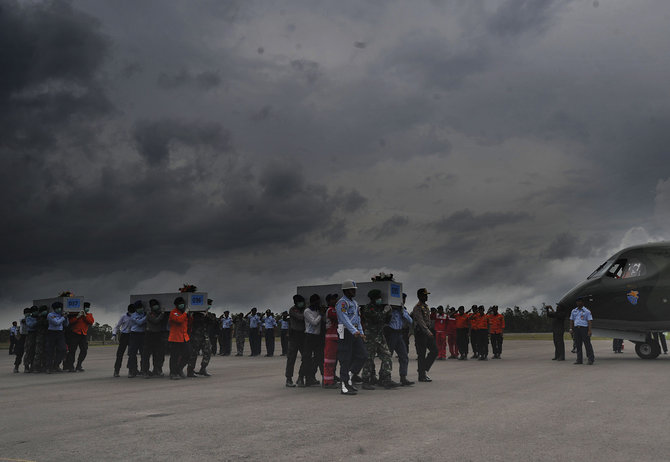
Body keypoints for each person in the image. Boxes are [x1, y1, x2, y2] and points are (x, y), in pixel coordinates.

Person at [360, 289, 398, 389]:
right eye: (378, 297)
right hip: (371, 336)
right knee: (369, 359)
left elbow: (386, 321)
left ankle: (385, 378)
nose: (380, 299)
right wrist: (385, 311)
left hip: (380, 336)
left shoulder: (379, 307)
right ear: (373, 298)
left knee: (387, 356)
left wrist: (389, 313)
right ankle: (366, 380)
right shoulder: (368, 308)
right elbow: (377, 318)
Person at [337, 280, 368, 396]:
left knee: (363, 355)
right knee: (345, 358)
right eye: (351, 289)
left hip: (354, 332)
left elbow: (358, 319)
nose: (354, 291)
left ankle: (348, 376)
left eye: (354, 289)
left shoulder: (355, 303)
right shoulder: (342, 303)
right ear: (345, 291)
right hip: (345, 331)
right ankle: (344, 386)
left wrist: (361, 332)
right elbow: (344, 318)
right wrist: (354, 331)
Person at [412, 288, 438, 382]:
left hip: (427, 331)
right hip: (421, 333)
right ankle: (421, 375)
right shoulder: (417, 307)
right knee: (421, 354)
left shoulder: (426, 306)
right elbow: (421, 321)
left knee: (435, 351)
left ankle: (423, 369)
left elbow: (427, 320)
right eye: (424, 295)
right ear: (419, 296)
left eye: (427, 295)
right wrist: (428, 331)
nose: (426, 296)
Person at [388, 294, 414, 386]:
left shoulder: (403, 310)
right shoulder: (390, 309)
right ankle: (386, 377)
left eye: (404, 299)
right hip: (391, 333)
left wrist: (402, 311)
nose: (403, 301)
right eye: (402, 299)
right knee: (388, 356)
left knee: (404, 356)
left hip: (399, 334)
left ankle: (403, 377)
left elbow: (410, 321)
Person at [64, 302, 94, 372]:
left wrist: (84, 316)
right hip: (75, 334)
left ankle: (79, 365)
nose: (87, 309)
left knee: (84, 350)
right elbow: (71, 322)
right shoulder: (76, 314)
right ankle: (71, 366)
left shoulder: (89, 315)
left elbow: (91, 321)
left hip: (83, 334)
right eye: (86, 307)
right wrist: (78, 316)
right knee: (72, 351)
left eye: (88, 307)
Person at [285, 295, 307, 387]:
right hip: (294, 336)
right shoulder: (293, 310)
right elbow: (300, 317)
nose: (301, 303)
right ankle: (289, 378)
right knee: (291, 358)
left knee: (306, 357)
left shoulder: (304, 309)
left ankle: (301, 377)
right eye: (299, 302)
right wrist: (308, 313)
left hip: (303, 335)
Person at [303, 294, 323, 386]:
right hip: (309, 336)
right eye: (317, 302)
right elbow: (314, 322)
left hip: (317, 336)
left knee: (317, 358)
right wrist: (321, 315)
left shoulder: (318, 311)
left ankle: (312, 376)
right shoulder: (307, 311)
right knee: (307, 358)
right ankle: (305, 378)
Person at [142, 299, 166, 377]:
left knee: (158, 354)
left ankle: (157, 370)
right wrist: (162, 313)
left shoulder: (158, 313)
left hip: (158, 335)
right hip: (149, 335)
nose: (156, 307)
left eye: (156, 305)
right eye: (154, 305)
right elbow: (155, 321)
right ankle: (145, 371)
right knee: (146, 355)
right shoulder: (149, 313)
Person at [187, 305, 213, 377]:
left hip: (204, 336)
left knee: (207, 352)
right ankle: (190, 370)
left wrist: (207, 315)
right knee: (194, 353)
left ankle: (203, 368)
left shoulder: (207, 316)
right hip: (196, 336)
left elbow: (212, 321)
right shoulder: (195, 315)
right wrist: (204, 315)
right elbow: (197, 321)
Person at [168, 297, 191, 379]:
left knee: (188, 354)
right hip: (175, 338)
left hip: (184, 337)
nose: (182, 305)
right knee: (174, 356)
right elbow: (179, 320)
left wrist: (189, 315)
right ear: (176, 305)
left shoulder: (184, 313)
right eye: (180, 304)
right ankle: (173, 373)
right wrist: (185, 313)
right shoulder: (173, 313)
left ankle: (179, 369)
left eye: (183, 303)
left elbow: (188, 323)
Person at [569, 297, 595, 365]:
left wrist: (589, 330)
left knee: (587, 344)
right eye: (577, 301)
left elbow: (589, 321)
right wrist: (571, 329)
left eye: (580, 301)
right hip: (576, 329)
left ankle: (590, 359)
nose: (578, 303)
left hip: (584, 329)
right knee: (578, 344)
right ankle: (579, 360)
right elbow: (571, 320)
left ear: (582, 303)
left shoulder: (587, 311)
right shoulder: (574, 311)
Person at [45, 302, 69, 373]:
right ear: (54, 308)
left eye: (60, 308)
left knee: (63, 349)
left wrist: (66, 318)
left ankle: (56, 364)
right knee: (50, 351)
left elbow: (66, 324)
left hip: (60, 333)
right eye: (58, 308)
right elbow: (56, 323)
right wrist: (63, 317)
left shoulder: (61, 315)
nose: (59, 309)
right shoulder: (50, 315)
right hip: (52, 333)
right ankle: (49, 367)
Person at [112, 304, 135, 377]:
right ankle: (116, 371)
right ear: (128, 311)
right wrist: (114, 334)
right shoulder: (123, 316)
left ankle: (131, 371)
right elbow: (117, 326)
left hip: (132, 335)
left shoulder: (135, 316)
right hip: (124, 335)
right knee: (120, 354)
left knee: (131, 354)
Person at [323, 294, 340, 389]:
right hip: (331, 338)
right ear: (329, 301)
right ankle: (328, 382)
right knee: (329, 361)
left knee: (333, 361)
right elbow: (339, 318)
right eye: (333, 299)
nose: (335, 300)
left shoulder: (335, 309)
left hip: (335, 338)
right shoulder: (330, 310)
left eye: (336, 299)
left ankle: (331, 379)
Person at [127, 300, 147, 378]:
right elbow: (139, 322)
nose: (140, 309)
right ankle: (133, 370)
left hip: (142, 335)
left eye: (141, 307)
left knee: (144, 353)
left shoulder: (144, 313)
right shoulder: (133, 315)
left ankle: (144, 370)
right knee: (132, 354)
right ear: (136, 309)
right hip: (134, 335)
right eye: (138, 308)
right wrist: (146, 317)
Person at [22, 306, 39, 373]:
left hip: (37, 334)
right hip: (30, 334)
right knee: (29, 350)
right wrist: (37, 321)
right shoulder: (28, 318)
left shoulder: (38, 318)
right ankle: (26, 366)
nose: (36, 312)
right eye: (35, 311)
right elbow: (30, 325)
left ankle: (33, 366)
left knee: (36, 351)